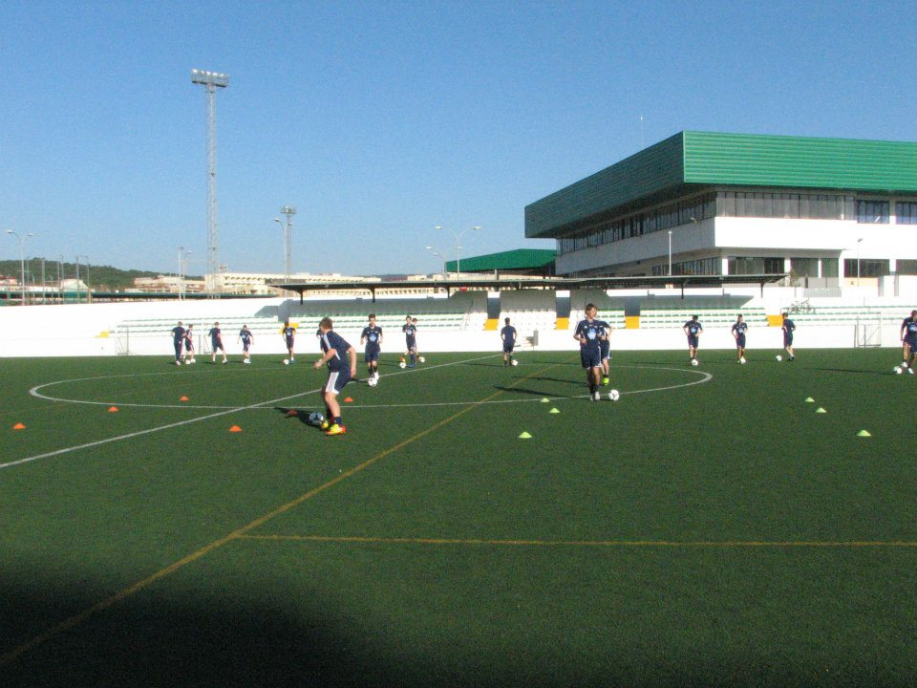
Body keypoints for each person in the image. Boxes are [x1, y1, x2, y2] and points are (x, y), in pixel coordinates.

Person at [314, 317, 357, 436]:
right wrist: (353, 368)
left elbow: (332, 351)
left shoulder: (326, 336)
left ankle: (339, 425)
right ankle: (331, 418)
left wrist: (321, 362)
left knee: (329, 396)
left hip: (338, 370)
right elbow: (352, 350)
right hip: (342, 370)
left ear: (321, 327)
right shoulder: (337, 336)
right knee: (324, 391)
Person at [573, 303, 605, 401]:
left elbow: (601, 334)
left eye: (595, 310)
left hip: (595, 350)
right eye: (592, 310)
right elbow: (575, 335)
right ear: (587, 311)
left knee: (596, 372)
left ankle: (597, 391)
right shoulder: (581, 323)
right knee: (589, 373)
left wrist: (602, 337)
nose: (594, 312)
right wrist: (580, 339)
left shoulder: (598, 323)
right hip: (585, 350)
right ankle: (591, 392)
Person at [360, 313, 383, 381]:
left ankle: (376, 372)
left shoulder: (378, 328)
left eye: (373, 320)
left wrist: (381, 340)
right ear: (369, 320)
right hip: (368, 348)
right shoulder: (366, 328)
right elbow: (362, 336)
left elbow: (381, 334)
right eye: (370, 320)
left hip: (376, 347)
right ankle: (371, 376)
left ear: (375, 320)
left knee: (374, 363)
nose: (372, 321)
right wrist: (361, 341)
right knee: (369, 365)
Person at [598, 317, 612, 384]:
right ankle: (604, 376)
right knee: (599, 363)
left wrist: (608, 336)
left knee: (604, 361)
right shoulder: (590, 325)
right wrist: (599, 336)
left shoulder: (602, 322)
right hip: (597, 345)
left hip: (605, 344)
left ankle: (607, 375)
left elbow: (611, 328)